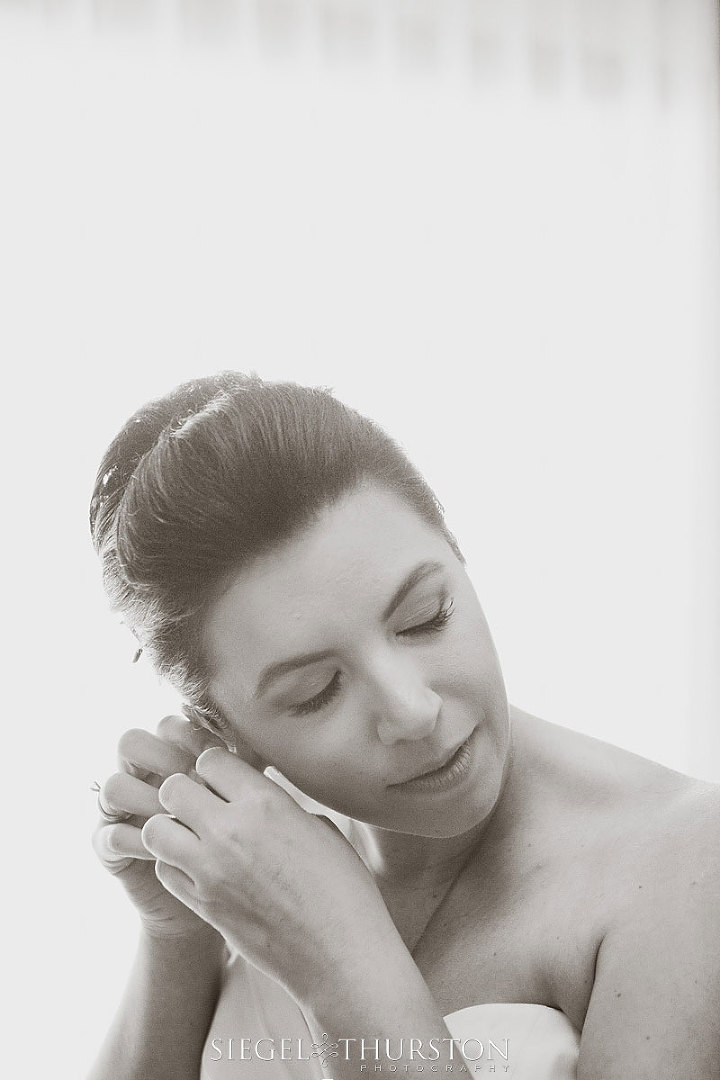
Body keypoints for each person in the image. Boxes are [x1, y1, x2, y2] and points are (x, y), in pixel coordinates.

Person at [88, 371, 720, 1080]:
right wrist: (177, 936)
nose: (414, 711)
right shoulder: (249, 857)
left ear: (458, 552)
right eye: (316, 691)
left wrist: (343, 974)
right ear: (223, 728)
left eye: (426, 617)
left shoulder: (685, 868)